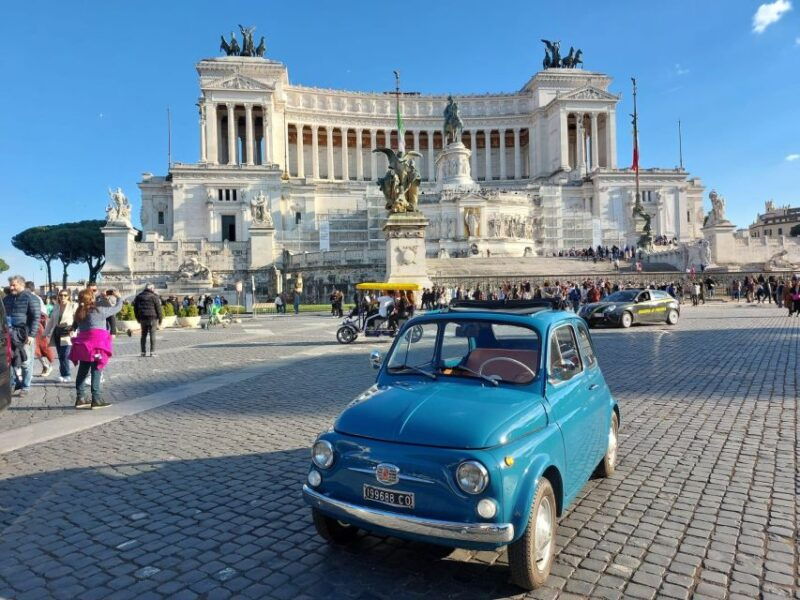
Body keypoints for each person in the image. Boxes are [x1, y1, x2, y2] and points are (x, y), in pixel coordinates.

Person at [69, 288, 122, 409]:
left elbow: (75, 324)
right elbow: (117, 308)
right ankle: (96, 399)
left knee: (83, 370)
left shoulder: (79, 312)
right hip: (97, 345)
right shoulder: (98, 310)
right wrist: (118, 297)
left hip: (83, 345)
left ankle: (80, 398)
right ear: (92, 298)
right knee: (96, 369)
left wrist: (102, 298)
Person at [3, 275, 41, 396]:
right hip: (9, 335)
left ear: (21, 285)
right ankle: (14, 384)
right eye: (10, 285)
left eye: (14, 285)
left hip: (25, 335)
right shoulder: (6, 299)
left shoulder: (31, 298)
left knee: (26, 362)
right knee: (10, 360)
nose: (11, 287)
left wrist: (32, 335)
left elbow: (36, 318)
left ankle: (25, 386)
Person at [44, 289, 77, 382]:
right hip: (57, 332)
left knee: (65, 354)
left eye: (65, 295)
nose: (63, 297)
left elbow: (77, 319)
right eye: (61, 295)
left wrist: (73, 329)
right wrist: (45, 333)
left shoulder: (73, 305)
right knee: (60, 355)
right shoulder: (56, 306)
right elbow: (51, 321)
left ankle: (67, 375)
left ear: (69, 296)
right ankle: (63, 374)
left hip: (68, 332)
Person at [133, 283, 163, 357]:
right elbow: (159, 309)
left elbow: (135, 309)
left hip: (143, 318)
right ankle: (152, 352)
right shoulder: (154, 296)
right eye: (154, 288)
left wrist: (137, 318)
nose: (154, 290)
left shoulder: (138, 296)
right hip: (152, 318)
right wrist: (160, 319)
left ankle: (143, 352)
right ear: (151, 289)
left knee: (143, 335)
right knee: (152, 334)